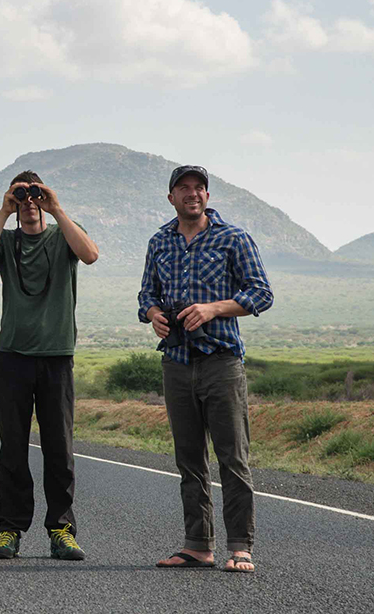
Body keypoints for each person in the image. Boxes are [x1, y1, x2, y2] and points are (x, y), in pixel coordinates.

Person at [137, 165, 273, 573]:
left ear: (207, 197)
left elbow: (261, 293)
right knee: (188, 459)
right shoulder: (160, 241)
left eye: (199, 188)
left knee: (233, 457)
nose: (192, 194)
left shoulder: (233, 238)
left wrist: (214, 308)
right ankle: (197, 545)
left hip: (222, 361)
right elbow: (146, 292)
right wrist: (153, 313)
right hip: (176, 362)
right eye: (184, 188)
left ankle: (240, 546)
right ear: (171, 197)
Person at [0, 170, 99, 560]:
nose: (29, 200)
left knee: (59, 448)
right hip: (13, 356)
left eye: (34, 194)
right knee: (12, 449)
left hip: (57, 356)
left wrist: (55, 208)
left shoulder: (63, 235)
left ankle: (62, 530)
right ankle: (9, 529)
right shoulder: (7, 241)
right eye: (22, 195)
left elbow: (90, 255)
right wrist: (4, 211)